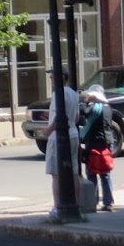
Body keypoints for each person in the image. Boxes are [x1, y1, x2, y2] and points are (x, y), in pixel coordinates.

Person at [41, 68, 82, 216]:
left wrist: (48, 129)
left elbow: (59, 118)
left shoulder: (58, 94)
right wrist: (51, 117)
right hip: (73, 133)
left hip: (58, 136)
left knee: (56, 174)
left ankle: (58, 207)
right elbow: (76, 117)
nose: (51, 79)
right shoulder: (73, 93)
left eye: (52, 76)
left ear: (61, 77)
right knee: (74, 172)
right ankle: (76, 205)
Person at [79, 85, 115, 212]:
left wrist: (85, 101)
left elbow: (83, 112)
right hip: (107, 141)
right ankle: (108, 202)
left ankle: (93, 201)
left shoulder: (95, 108)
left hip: (94, 142)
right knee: (105, 173)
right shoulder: (107, 107)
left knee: (92, 172)